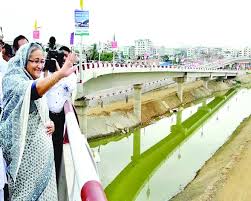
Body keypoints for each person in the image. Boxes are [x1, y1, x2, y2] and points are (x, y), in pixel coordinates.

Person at [0, 42, 76, 200]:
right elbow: (34, 91)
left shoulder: (32, 78)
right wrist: (60, 73)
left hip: (42, 162)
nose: (39, 65)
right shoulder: (14, 80)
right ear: (23, 60)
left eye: (42, 61)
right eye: (35, 61)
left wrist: (49, 123)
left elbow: (38, 109)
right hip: (25, 164)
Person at [45, 45, 77, 184]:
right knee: (44, 149)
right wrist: (47, 70)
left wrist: (60, 72)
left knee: (57, 148)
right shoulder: (43, 73)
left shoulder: (70, 76)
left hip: (58, 117)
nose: (62, 59)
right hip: (44, 116)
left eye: (64, 57)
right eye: (60, 57)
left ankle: (55, 179)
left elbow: (70, 88)